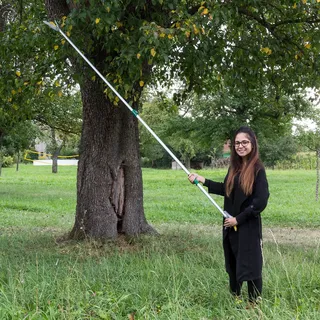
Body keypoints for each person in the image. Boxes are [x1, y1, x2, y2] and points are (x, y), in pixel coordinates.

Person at [188, 126, 269, 306]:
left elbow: (261, 201)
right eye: (237, 143)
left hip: (247, 226)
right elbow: (226, 190)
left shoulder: (257, 170)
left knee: (251, 265)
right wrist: (203, 180)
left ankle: (254, 303)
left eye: (244, 142)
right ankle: (236, 299)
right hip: (230, 226)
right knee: (233, 263)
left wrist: (238, 219)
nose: (240, 146)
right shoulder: (235, 167)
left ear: (253, 143)